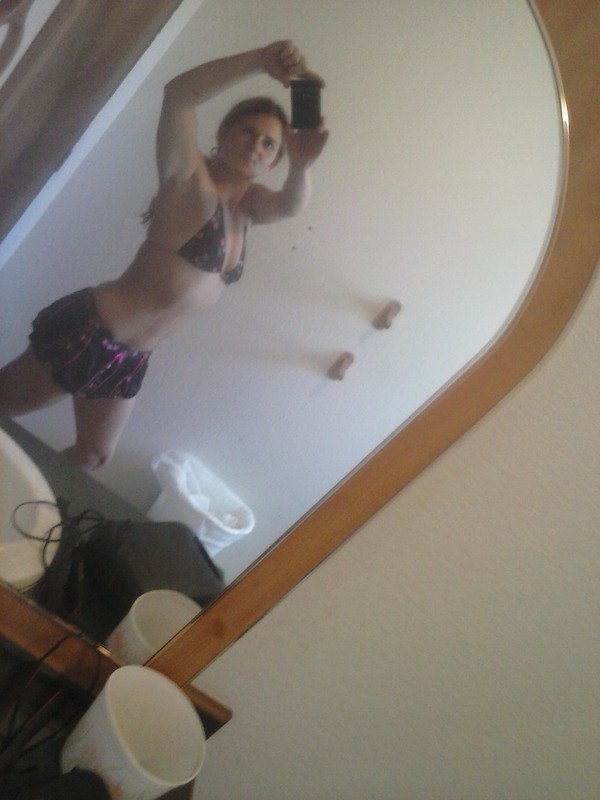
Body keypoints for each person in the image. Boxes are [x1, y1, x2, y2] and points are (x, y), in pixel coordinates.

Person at [0, 41, 329, 470]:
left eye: (269, 145)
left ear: (271, 163)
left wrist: (301, 167)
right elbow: (179, 95)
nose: (256, 145)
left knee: (93, 455)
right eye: (248, 131)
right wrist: (259, 60)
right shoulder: (189, 179)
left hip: (133, 358)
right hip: (92, 333)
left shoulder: (248, 209)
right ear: (224, 134)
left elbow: (290, 206)